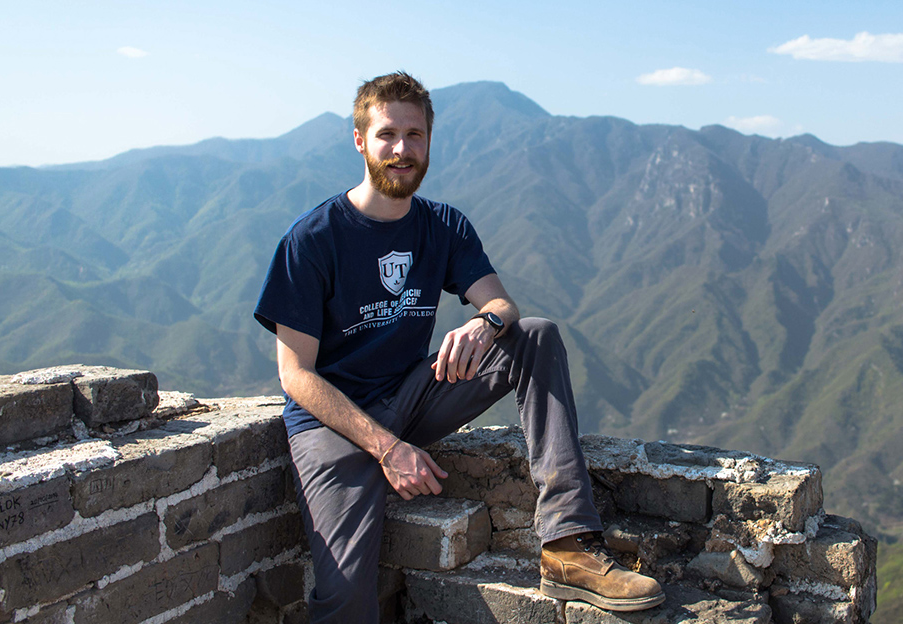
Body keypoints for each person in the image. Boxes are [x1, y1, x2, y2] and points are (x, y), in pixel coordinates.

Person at [254, 71, 664, 622]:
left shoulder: (442, 225)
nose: (402, 150)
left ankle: (568, 546)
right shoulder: (312, 240)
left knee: (535, 336)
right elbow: (295, 375)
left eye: (415, 135)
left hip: (409, 396)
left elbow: (503, 307)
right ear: (360, 140)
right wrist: (386, 448)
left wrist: (484, 325)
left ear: (429, 141)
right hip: (333, 425)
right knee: (347, 599)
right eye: (387, 135)